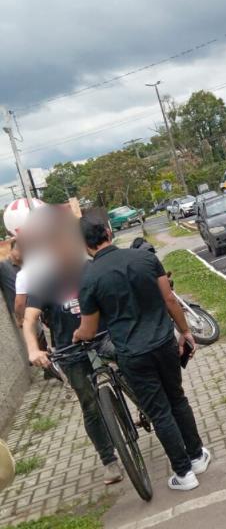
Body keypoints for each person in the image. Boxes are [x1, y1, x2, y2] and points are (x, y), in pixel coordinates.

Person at [73, 213, 210, 491]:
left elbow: (88, 330)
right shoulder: (145, 258)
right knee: (177, 399)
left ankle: (184, 475)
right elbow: (170, 299)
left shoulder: (89, 278)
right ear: (109, 232)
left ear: (85, 245)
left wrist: (77, 335)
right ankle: (197, 457)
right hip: (164, 344)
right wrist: (185, 332)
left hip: (133, 355)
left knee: (160, 413)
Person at [21, 207, 123, 485]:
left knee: (133, 369)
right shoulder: (45, 281)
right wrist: (33, 350)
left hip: (104, 338)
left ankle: (145, 405)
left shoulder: (92, 268)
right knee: (89, 405)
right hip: (70, 351)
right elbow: (29, 321)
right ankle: (109, 460)